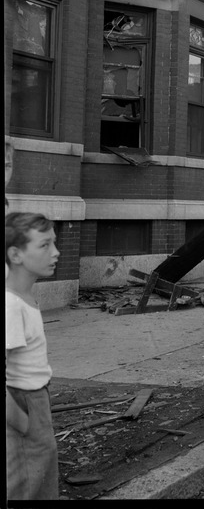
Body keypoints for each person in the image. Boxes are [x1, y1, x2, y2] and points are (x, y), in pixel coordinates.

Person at [6, 212, 61, 501]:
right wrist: (22, 422)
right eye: (44, 245)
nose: (56, 252)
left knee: (41, 476)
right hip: (22, 403)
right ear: (15, 254)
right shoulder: (10, 306)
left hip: (35, 399)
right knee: (26, 484)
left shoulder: (25, 299)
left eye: (54, 243)